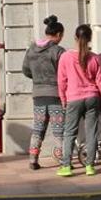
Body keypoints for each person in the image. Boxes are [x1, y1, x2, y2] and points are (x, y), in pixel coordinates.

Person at [56, 24, 101, 177]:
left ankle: (66, 166)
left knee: (70, 132)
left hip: (74, 98)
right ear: (90, 39)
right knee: (92, 133)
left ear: (75, 38)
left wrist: (63, 99)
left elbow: (61, 81)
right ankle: (89, 166)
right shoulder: (95, 58)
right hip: (92, 96)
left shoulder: (65, 57)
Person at [22, 15, 67, 170]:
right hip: (55, 95)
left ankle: (33, 159)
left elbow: (25, 70)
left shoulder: (31, 50)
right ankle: (63, 161)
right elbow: (65, 73)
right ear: (59, 34)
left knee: (38, 128)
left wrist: (37, 78)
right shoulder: (59, 51)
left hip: (38, 95)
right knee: (59, 130)